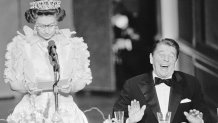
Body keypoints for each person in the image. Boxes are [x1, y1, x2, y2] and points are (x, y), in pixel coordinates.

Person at [4, 0, 92, 122]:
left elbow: (81, 79)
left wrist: (71, 87)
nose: (46, 30)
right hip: (33, 108)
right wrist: (27, 87)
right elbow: (13, 83)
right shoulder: (22, 46)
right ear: (35, 24)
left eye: (51, 25)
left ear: (57, 23)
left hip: (64, 108)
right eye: (41, 26)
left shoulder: (71, 45)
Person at [113, 38, 212, 123]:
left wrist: (200, 122)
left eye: (171, 56)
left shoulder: (191, 82)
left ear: (176, 60)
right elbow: (116, 118)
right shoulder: (132, 85)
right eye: (161, 54)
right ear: (151, 58)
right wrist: (130, 121)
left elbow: (206, 116)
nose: (166, 59)